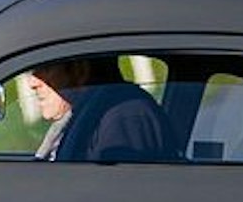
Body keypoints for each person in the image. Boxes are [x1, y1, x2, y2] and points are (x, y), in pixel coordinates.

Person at [28, 56, 177, 162]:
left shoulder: (125, 117)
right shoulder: (93, 115)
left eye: (45, 69)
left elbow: (109, 199)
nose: (32, 82)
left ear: (80, 70)